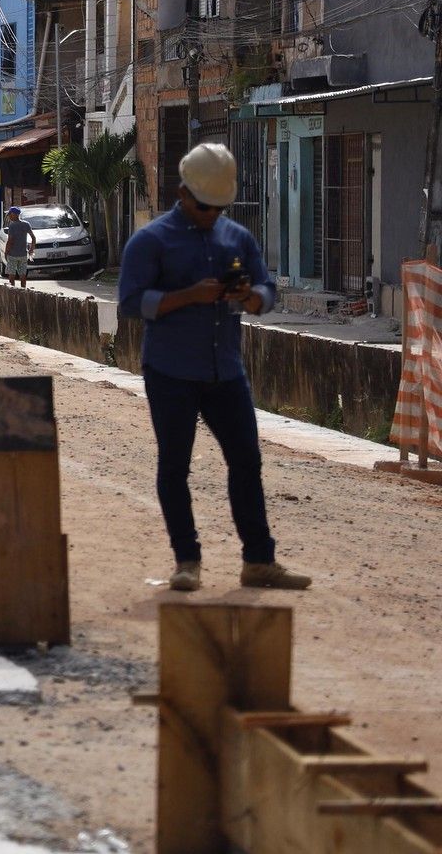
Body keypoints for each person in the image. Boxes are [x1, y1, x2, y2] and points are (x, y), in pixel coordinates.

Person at [118, 143, 311, 593]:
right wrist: (188, 296)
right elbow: (129, 301)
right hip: (171, 370)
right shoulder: (151, 241)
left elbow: (266, 289)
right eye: (204, 207)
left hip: (226, 369)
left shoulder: (237, 238)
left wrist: (250, 298)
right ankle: (187, 560)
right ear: (183, 194)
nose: (211, 215)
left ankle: (259, 561)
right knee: (174, 467)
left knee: (246, 461)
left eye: (218, 208)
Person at [2, 207, 34, 288]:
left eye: (10, 214)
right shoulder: (26, 224)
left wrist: (6, 252)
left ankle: (12, 291)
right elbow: (33, 238)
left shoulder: (12, 226)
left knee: (11, 275)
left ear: (15, 215)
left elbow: (10, 241)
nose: (9, 216)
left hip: (12, 255)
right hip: (23, 254)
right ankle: (23, 289)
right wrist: (31, 249)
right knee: (22, 275)